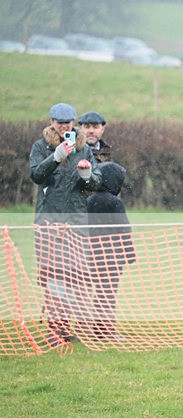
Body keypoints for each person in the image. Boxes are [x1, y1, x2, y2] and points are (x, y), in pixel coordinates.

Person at [30, 102, 102, 346]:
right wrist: (56, 156)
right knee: (53, 278)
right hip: (49, 222)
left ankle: (73, 327)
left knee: (76, 278)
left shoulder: (83, 149)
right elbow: (36, 175)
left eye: (68, 123)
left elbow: (94, 184)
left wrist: (87, 176)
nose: (64, 127)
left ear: (73, 123)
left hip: (77, 222)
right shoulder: (41, 147)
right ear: (52, 122)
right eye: (60, 123)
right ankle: (55, 330)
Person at [85, 162, 136, 342]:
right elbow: (124, 229)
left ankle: (94, 329)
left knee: (97, 291)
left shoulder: (89, 200)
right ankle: (105, 331)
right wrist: (129, 255)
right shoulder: (115, 202)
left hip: (91, 253)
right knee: (107, 294)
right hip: (112, 255)